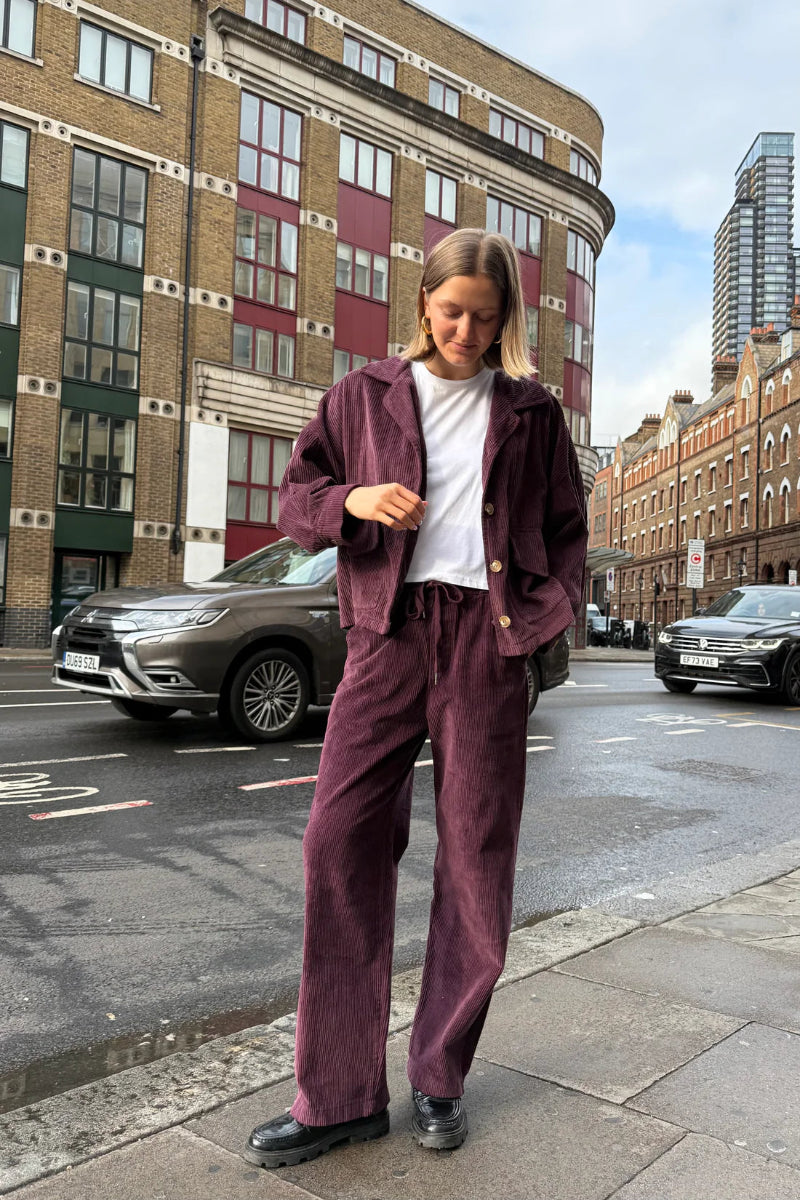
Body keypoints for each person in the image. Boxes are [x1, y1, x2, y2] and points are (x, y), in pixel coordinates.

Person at [243, 228, 588, 1169]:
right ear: (422, 304)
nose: (467, 330)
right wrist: (351, 502)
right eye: (452, 311)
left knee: (476, 856)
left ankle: (439, 1074)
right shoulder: (361, 396)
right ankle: (339, 1096)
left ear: (506, 316)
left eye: (486, 315)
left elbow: (565, 529)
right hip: (385, 634)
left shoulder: (532, 413)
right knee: (337, 839)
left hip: (487, 639)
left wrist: (543, 619)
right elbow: (297, 494)